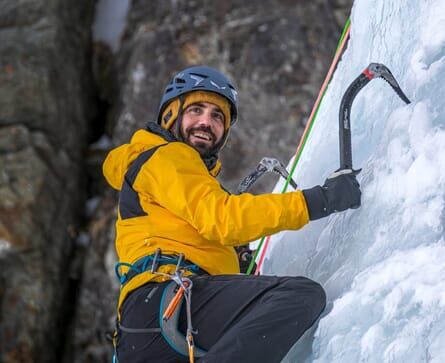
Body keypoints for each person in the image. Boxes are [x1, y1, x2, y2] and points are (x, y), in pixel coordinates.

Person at [103, 65, 361, 363]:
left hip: (145, 329)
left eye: (217, 116)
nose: (206, 122)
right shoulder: (168, 156)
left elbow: (198, 228)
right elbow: (224, 219)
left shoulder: (177, 175)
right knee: (299, 296)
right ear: (171, 115)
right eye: (196, 109)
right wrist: (320, 199)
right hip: (169, 305)